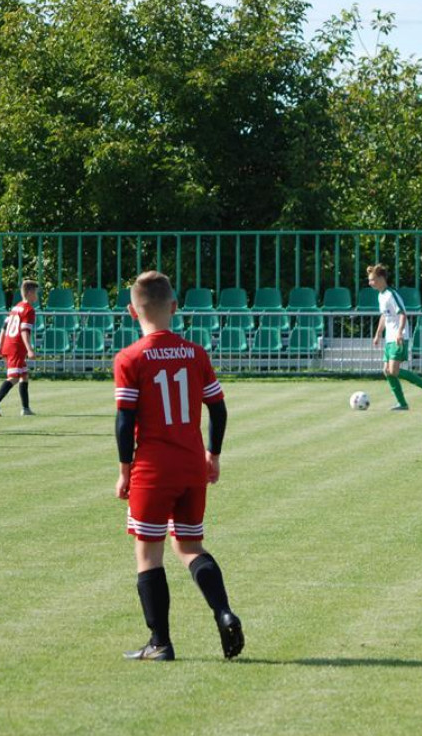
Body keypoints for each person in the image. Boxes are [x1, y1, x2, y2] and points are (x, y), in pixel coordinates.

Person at [114, 271, 242, 662]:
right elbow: (217, 409)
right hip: (191, 464)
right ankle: (223, 611)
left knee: (148, 554)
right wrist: (213, 454)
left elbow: (123, 421)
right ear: (174, 307)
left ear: (133, 313)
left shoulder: (130, 358)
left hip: (153, 468)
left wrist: (124, 470)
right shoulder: (195, 352)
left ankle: (160, 642)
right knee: (189, 546)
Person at [368, 264, 422, 411]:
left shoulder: (391, 294)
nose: (370, 283)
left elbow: (402, 314)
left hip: (399, 337)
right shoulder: (380, 295)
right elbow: (384, 316)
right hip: (389, 338)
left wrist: (399, 332)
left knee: (393, 371)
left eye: (372, 279)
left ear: (381, 278)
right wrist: (378, 333)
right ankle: (402, 403)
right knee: (387, 371)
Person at [0, 280, 38, 417]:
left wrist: (0, 345)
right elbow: (24, 331)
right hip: (16, 346)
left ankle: (26, 408)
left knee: (24, 375)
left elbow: (4, 328)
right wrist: (30, 349)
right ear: (30, 293)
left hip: (9, 344)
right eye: (36, 292)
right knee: (14, 377)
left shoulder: (16, 308)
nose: (37, 296)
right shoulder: (29, 310)